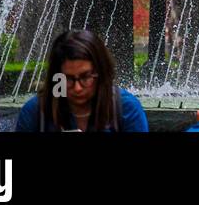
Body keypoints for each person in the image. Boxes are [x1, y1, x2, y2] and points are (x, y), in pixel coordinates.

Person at [15, 29, 148, 131]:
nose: (77, 88)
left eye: (85, 77)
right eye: (68, 79)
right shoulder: (37, 112)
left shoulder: (125, 109)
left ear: (101, 73)